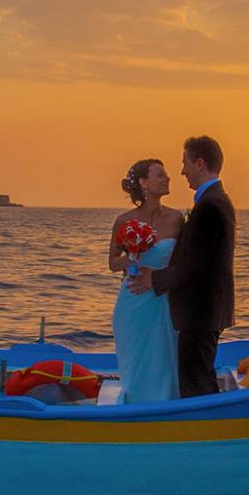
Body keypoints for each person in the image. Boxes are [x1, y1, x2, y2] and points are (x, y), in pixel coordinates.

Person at [132, 135, 235, 397]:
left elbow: (195, 265)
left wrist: (154, 280)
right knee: (199, 377)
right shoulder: (213, 200)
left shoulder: (210, 205)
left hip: (200, 311)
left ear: (200, 163)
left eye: (185, 163)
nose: (182, 172)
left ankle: (204, 432)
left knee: (195, 383)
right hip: (204, 310)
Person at [107, 158, 182, 404]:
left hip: (162, 300)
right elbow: (112, 262)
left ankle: (165, 408)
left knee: (163, 359)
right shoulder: (124, 220)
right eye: (160, 174)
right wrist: (128, 262)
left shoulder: (176, 219)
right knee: (136, 361)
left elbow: (183, 263)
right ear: (144, 183)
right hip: (133, 300)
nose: (168, 178)